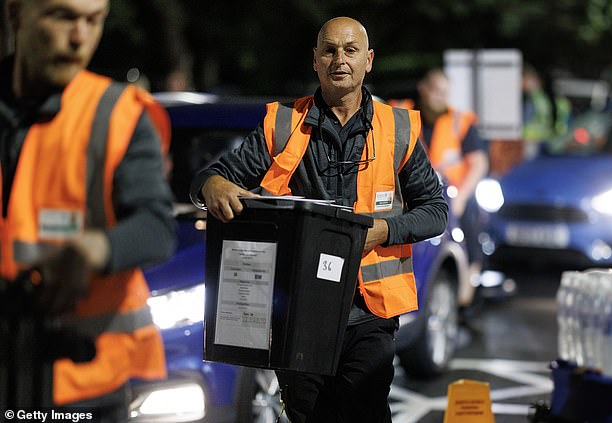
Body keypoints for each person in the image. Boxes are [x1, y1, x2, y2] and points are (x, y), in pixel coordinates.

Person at [190, 16, 447, 423]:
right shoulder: (283, 122)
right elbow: (213, 178)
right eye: (329, 50)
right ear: (315, 60)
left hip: (370, 311)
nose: (339, 59)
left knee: (364, 411)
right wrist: (211, 186)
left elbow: (436, 209)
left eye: (350, 50)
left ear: (369, 60)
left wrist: (384, 230)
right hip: (297, 311)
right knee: (308, 416)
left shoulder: (397, 128)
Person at [0, 0, 175, 419]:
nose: (79, 38)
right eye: (62, 16)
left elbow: (156, 226)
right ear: (15, 13)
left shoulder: (119, 114)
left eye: (93, 20)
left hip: (83, 389)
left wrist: (91, 251)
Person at [416, 68, 488, 305]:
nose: (440, 98)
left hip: (453, 193)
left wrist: (462, 198)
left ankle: (466, 292)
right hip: (416, 193)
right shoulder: (404, 113)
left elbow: (479, 163)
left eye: (444, 93)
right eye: (436, 91)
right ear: (423, 89)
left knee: (469, 222)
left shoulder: (460, 121)